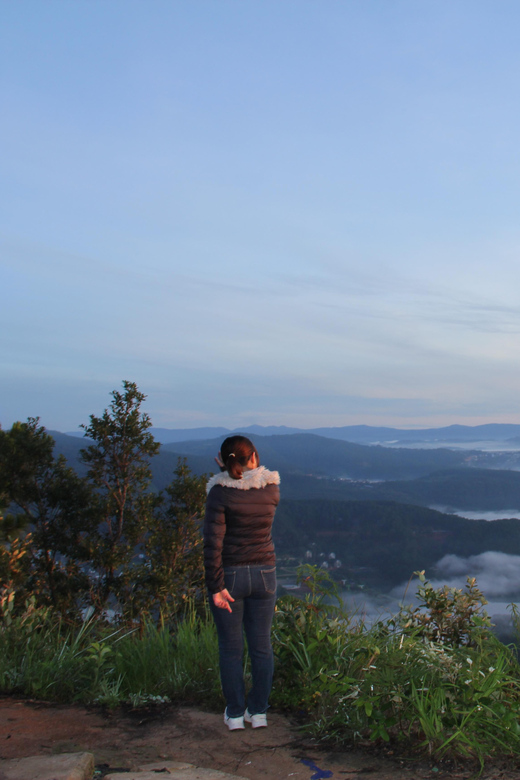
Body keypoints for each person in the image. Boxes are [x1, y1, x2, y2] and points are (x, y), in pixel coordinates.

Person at [204, 435, 280, 731]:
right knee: (262, 646)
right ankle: (258, 712)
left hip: (231, 577)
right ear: (254, 457)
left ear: (224, 461)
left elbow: (213, 544)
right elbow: (252, 478)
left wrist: (215, 586)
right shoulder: (271, 489)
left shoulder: (219, 494)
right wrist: (235, 467)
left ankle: (235, 714)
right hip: (265, 574)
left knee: (231, 649)